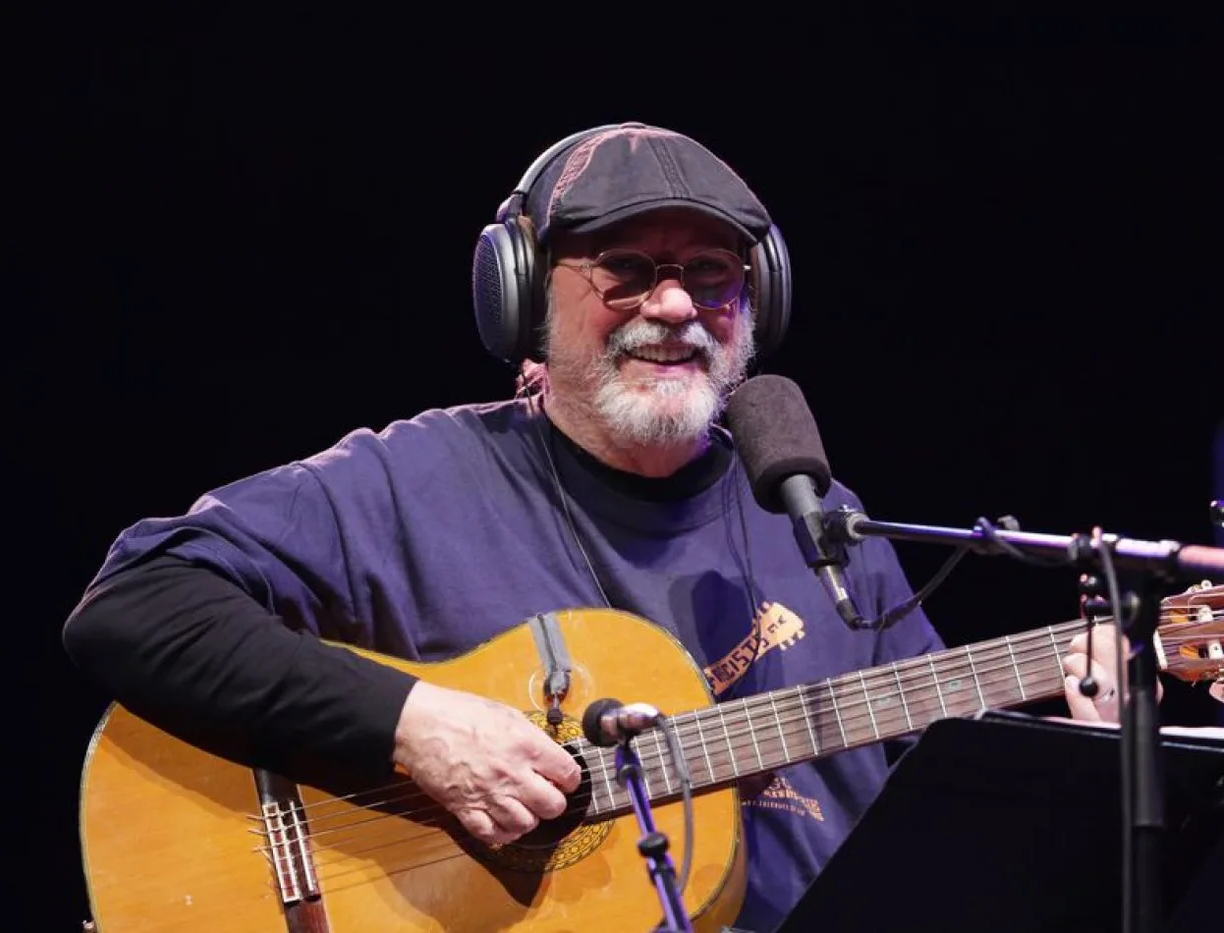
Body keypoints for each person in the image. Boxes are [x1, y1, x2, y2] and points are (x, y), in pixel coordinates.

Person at [62, 121, 1125, 932]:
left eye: (710, 277)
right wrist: (412, 724)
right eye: (626, 271)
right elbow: (136, 606)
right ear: (523, 297)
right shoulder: (410, 482)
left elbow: (934, 827)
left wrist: (1070, 764)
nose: (672, 306)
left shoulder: (821, 527)